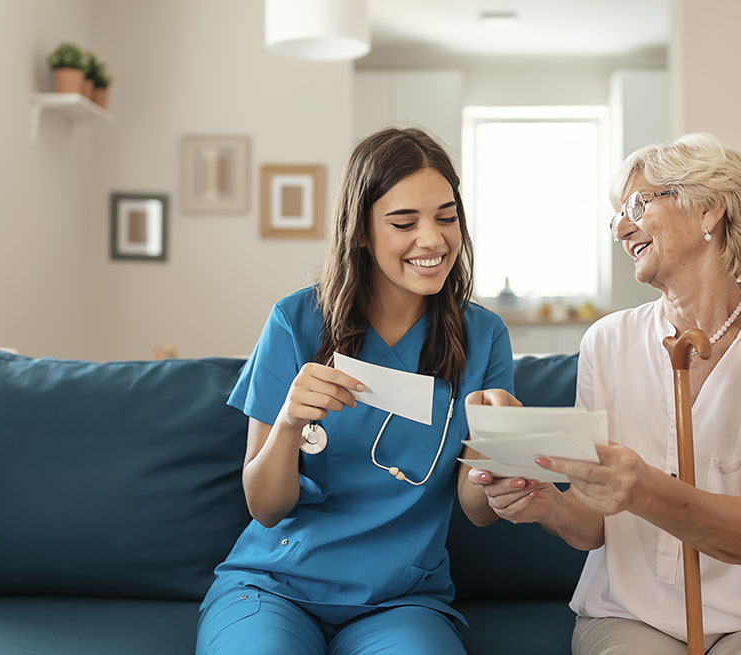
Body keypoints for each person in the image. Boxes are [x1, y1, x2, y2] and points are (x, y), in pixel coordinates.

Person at [468, 134, 741, 654]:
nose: (622, 229)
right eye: (616, 217)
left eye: (637, 205)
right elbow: (593, 526)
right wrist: (544, 504)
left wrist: (644, 488)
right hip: (634, 616)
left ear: (709, 210)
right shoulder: (606, 342)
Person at [197, 127, 514, 655]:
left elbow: (477, 511)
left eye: (446, 216)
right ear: (362, 230)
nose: (433, 240)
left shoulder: (483, 337)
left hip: (401, 600)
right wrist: (290, 425)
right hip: (275, 587)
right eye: (403, 222)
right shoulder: (295, 322)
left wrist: (501, 446)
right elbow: (265, 506)